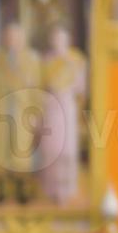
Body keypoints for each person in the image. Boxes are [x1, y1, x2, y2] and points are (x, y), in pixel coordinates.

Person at [0, 18, 43, 205]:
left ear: (22, 39)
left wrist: (37, 115)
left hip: (22, 115)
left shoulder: (31, 62)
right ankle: (0, 191)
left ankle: (22, 191)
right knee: (0, 154)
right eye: (9, 37)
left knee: (20, 155)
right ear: (4, 39)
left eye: (16, 37)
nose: (12, 40)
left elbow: (37, 92)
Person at [37, 23, 87, 207]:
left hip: (67, 106)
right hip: (50, 107)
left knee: (67, 149)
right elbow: (40, 87)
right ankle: (52, 190)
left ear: (68, 40)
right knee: (51, 148)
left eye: (62, 38)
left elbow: (81, 89)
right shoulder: (47, 61)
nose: (58, 42)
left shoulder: (76, 60)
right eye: (55, 38)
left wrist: (67, 92)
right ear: (52, 40)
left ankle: (66, 190)